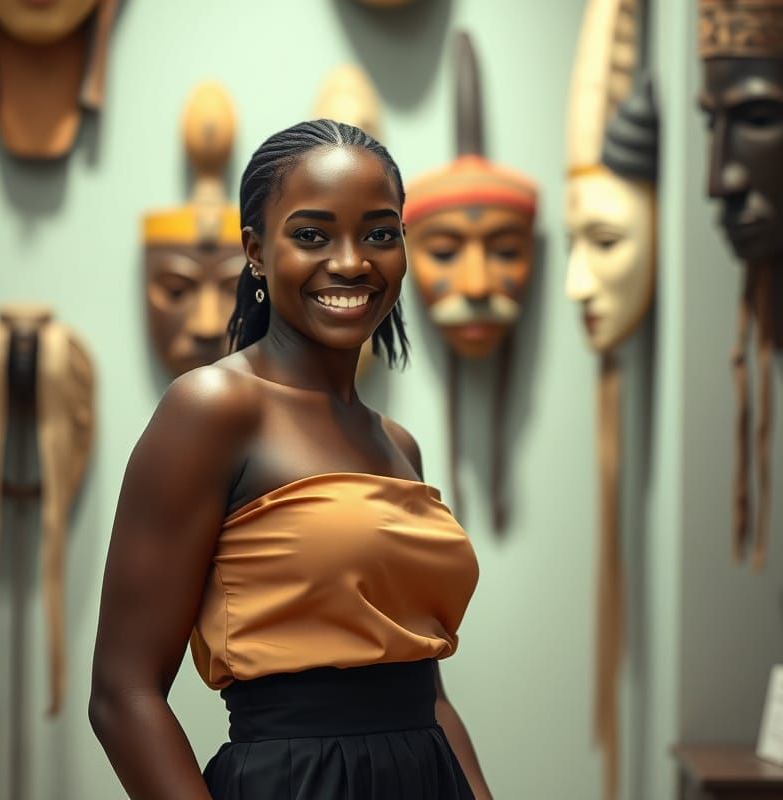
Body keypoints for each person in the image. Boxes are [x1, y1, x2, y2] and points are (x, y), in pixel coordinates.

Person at [90, 120, 492, 799]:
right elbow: (123, 696)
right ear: (256, 251)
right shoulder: (213, 410)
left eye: (380, 233)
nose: (351, 261)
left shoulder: (399, 445)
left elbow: (427, 692)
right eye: (311, 235)